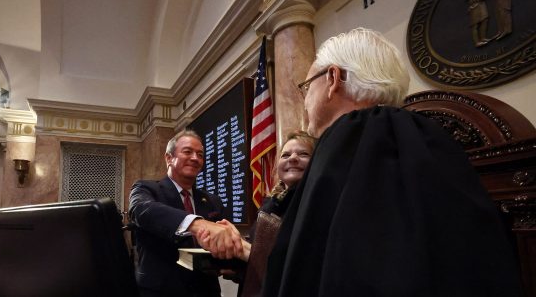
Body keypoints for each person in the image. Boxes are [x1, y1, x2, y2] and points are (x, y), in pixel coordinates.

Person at [261, 28, 522, 296]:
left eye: (306, 87)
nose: (304, 101)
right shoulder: (428, 134)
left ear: (333, 78)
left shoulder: (347, 136)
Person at [199, 131, 316, 296]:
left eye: (304, 154)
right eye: (285, 155)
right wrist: (232, 250)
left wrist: (241, 248)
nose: (293, 158)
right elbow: (257, 262)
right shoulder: (269, 206)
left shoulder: (318, 205)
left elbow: (297, 267)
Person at [129, 129, 242, 297]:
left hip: (206, 291)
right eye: (187, 152)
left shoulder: (212, 201)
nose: (195, 158)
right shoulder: (146, 189)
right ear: (169, 158)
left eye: (200, 154)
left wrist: (232, 265)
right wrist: (195, 223)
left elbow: (223, 242)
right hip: (161, 291)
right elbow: (141, 210)